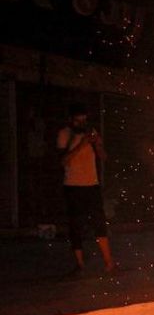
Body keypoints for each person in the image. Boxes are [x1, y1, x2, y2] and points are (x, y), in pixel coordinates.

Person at [57, 103, 115, 274]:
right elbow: (63, 161)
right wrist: (82, 144)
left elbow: (104, 157)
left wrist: (97, 144)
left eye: (84, 120)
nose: (81, 124)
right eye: (78, 120)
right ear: (70, 120)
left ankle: (109, 262)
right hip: (73, 187)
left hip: (92, 185)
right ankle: (80, 264)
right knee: (75, 225)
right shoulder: (64, 135)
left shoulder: (92, 133)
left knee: (99, 223)